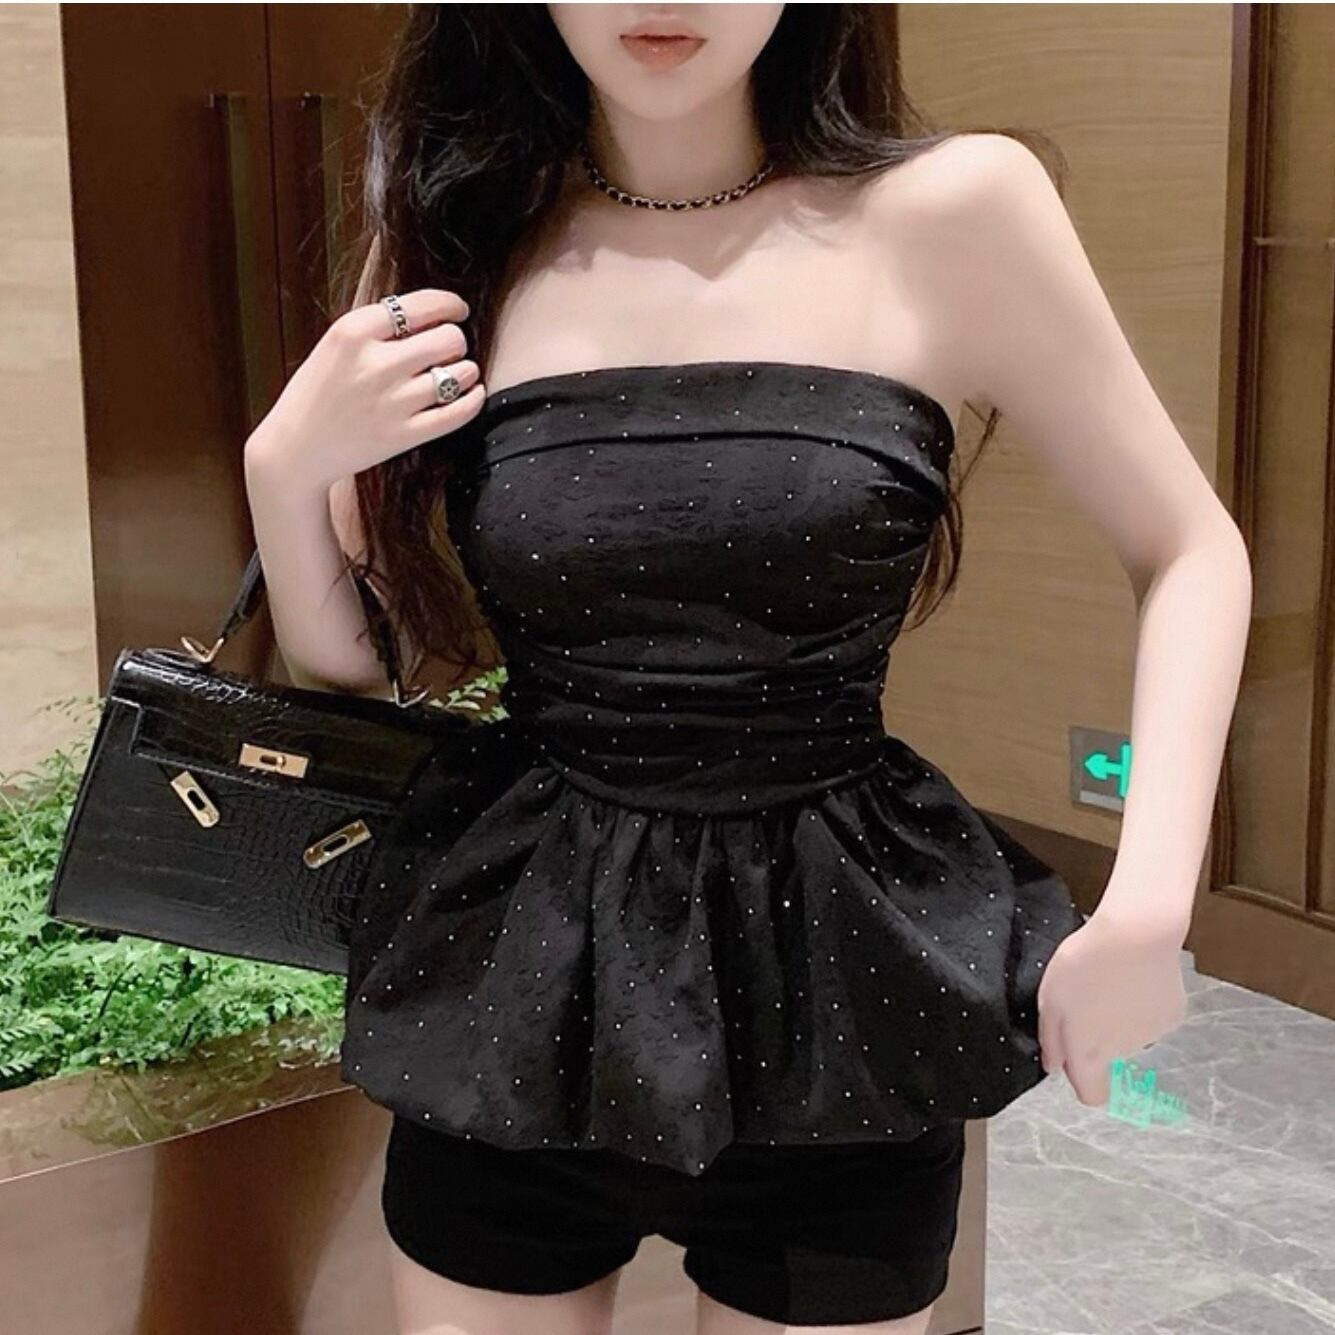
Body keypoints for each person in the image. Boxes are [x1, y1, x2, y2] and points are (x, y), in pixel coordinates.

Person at [243, 6, 1251, 1333]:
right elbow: (357, 664)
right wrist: (284, 471)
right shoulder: (462, 230)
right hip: (517, 979)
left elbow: (1188, 547)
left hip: (843, 988)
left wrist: (1149, 907)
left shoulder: (955, 211)